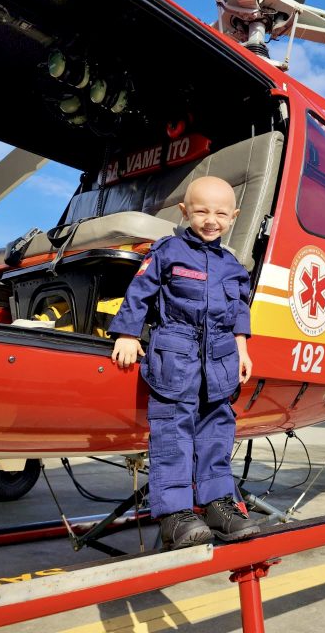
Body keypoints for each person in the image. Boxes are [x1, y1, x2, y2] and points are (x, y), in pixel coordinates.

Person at [108, 175, 260, 549]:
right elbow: (139, 292)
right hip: (175, 356)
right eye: (202, 211)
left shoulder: (233, 265)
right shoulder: (167, 251)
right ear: (184, 211)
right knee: (173, 434)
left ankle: (217, 505)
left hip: (221, 362)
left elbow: (239, 310)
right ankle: (175, 515)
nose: (211, 220)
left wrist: (242, 349)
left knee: (217, 433)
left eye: (221, 213)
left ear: (234, 216)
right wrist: (127, 334)